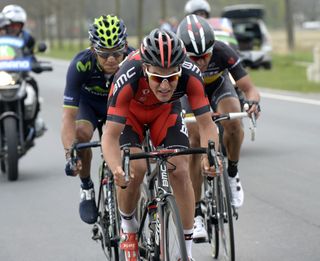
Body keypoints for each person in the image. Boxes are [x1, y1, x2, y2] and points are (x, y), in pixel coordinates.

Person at [102, 28, 220, 260]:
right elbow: (110, 135)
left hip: (164, 114)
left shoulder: (191, 73)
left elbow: (207, 125)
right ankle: (129, 225)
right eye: (157, 78)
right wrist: (116, 167)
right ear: (145, 69)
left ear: (180, 70)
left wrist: (210, 155)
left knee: (181, 169)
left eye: (171, 78)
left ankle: (185, 253)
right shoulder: (128, 73)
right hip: (131, 116)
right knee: (135, 169)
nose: (165, 86)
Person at [177, 14, 261, 242]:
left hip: (218, 88)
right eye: (194, 58)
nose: (201, 62)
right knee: (194, 142)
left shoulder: (223, 52)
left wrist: (252, 102)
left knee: (233, 122)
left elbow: (249, 88)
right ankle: (196, 214)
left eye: (205, 55)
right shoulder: (177, 60)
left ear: (212, 48)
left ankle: (232, 173)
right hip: (189, 94)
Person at [61, 14, 134, 225]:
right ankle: (86, 188)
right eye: (104, 54)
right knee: (81, 135)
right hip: (89, 105)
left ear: (126, 46)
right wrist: (70, 154)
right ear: (93, 49)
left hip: (119, 106)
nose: (111, 59)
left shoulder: (133, 60)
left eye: (117, 53)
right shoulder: (80, 65)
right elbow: (68, 116)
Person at [2, 4, 45, 137]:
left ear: (22, 25)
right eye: (11, 24)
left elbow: (31, 54)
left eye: (17, 24)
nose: (14, 28)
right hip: (2, 75)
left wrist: (35, 64)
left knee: (33, 86)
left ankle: (31, 121)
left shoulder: (27, 38)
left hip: (19, 75)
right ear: (5, 25)